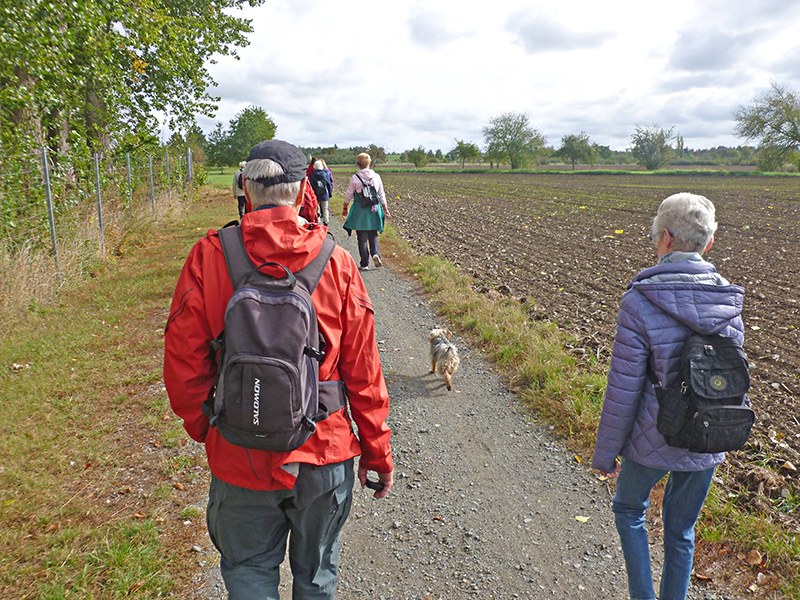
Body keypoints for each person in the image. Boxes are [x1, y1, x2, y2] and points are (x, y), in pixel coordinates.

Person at [164, 139, 394, 600]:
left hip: (238, 452)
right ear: (303, 189)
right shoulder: (339, 263)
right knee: (316, 576)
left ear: (245, 186)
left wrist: (209, 426)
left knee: (248, 572)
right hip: (323, 451)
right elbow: (364, 373)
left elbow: (184, 366)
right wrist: (376, 450)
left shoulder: (208, 257)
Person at [591, 193, 745, 600]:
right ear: (707, 245)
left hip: (651, 438)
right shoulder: (729, 301)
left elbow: (623, 388)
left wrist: (606, 455)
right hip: (708, 435)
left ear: (666, 239)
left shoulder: (639, 300)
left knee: (628, 511)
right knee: (681, 531)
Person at [342, 153, 390, 270]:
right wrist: (385, 209)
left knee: (361, 237)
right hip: (374, 210)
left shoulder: (355, 178)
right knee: (373, 233)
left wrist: (345, 207)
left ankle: (364, 264)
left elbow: (349, 194)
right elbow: (381, 194)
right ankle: (375, 254)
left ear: (358, 165)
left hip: (360, 211)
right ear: (369, 163)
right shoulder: (376, 177)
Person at [308, 160, 333, 225]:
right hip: (325, 193)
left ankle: (318, 221)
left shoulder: (312, 175)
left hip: (316, 194)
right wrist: (330, 194)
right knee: (325, 208)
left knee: (317, 208)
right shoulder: (325, 174)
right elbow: (328, 184)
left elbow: (311, 185)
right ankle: (326, 220)